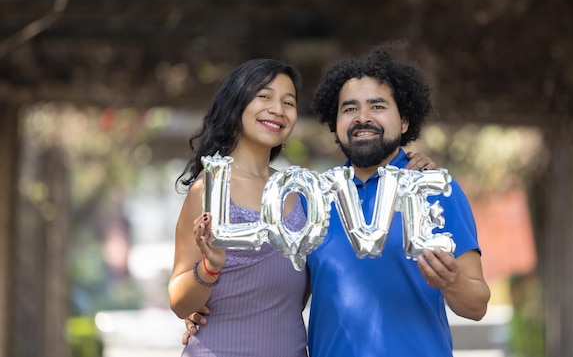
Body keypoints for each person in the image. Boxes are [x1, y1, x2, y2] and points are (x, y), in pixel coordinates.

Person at [168, 57, 436, 357]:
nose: (277, 109)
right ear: (237, 104)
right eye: (264, 96)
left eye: (289, 102)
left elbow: (316, 278)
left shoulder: (306, 193)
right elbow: (180, 303)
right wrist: (210, 269)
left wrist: (411, 165)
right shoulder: (208, 191)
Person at [305, 44, 491, 357]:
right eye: (349, 109)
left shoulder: (434, 189)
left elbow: (476, 306)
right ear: (335, 124)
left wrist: (452, 281)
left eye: (377, 107)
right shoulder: (315, 198)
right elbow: (286, 296)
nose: (362, 117)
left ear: (404, 122)